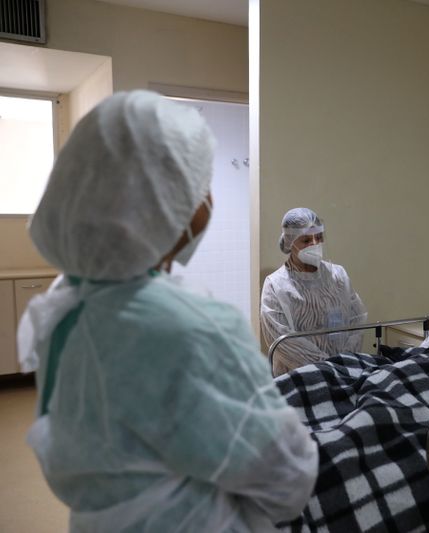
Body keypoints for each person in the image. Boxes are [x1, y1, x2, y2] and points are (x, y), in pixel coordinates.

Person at [17, 91, 318, 532]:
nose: (210, 199)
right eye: (201, 184)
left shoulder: (65, 303)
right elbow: (288, 480)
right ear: (164, 200)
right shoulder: (191, 327)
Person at [261, 208, 367, 376]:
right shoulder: (275, 285)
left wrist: (343, 363)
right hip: (298, 379)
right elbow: (283, 341)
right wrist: (327, 369)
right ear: (290, 242)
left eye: (318, 238)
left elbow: (357, 321)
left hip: (345, 373)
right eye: (306, 240)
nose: (315, 244)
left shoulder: (338, 275)